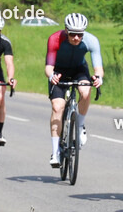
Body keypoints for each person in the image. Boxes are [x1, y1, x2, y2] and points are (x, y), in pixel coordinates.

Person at [45, 13, 104, 167]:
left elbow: (98, 68)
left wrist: (98, 78)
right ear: (66, 30)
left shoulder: (91, 40)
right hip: (59, 71)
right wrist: (51, 76)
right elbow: (48, 67)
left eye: (80, 34)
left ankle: (79, 126)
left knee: (85, 91)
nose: (76, 38)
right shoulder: (55, 39)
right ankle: (55, 152)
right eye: (72, 34)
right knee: (57, 107)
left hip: (79, 69)